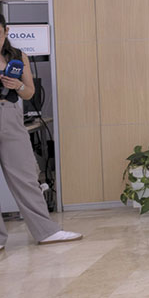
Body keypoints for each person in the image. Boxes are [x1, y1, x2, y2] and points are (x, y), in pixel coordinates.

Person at [0, 14, 81, 250]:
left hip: (10, 116)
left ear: (6, 31)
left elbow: (29, 93)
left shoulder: (17, 56)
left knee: (25, 176)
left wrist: (17, 85)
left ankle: (47, 231)